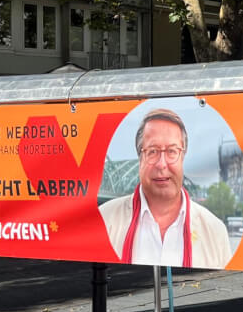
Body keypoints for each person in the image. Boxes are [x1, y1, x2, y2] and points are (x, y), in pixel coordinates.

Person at [99, 108, 232, 269]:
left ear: (183, 157)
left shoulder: (215, 232)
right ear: (140, 159)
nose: (161, 164)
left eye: (171, 151)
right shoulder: (103, 221)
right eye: (152, 151)